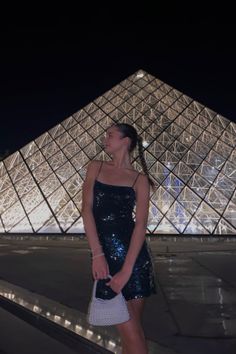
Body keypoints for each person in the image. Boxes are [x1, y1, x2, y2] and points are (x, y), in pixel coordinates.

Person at [81, 123, 157, 354]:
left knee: (132, 335)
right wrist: (97, 254)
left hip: (135, 261)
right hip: (105, 258)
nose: (106, 139)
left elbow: (140, 225)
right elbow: (86, 210)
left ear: (126, 141)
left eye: (110, 135)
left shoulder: (140, 180)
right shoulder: (95, 167)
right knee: (132, 335)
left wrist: (126, 270)